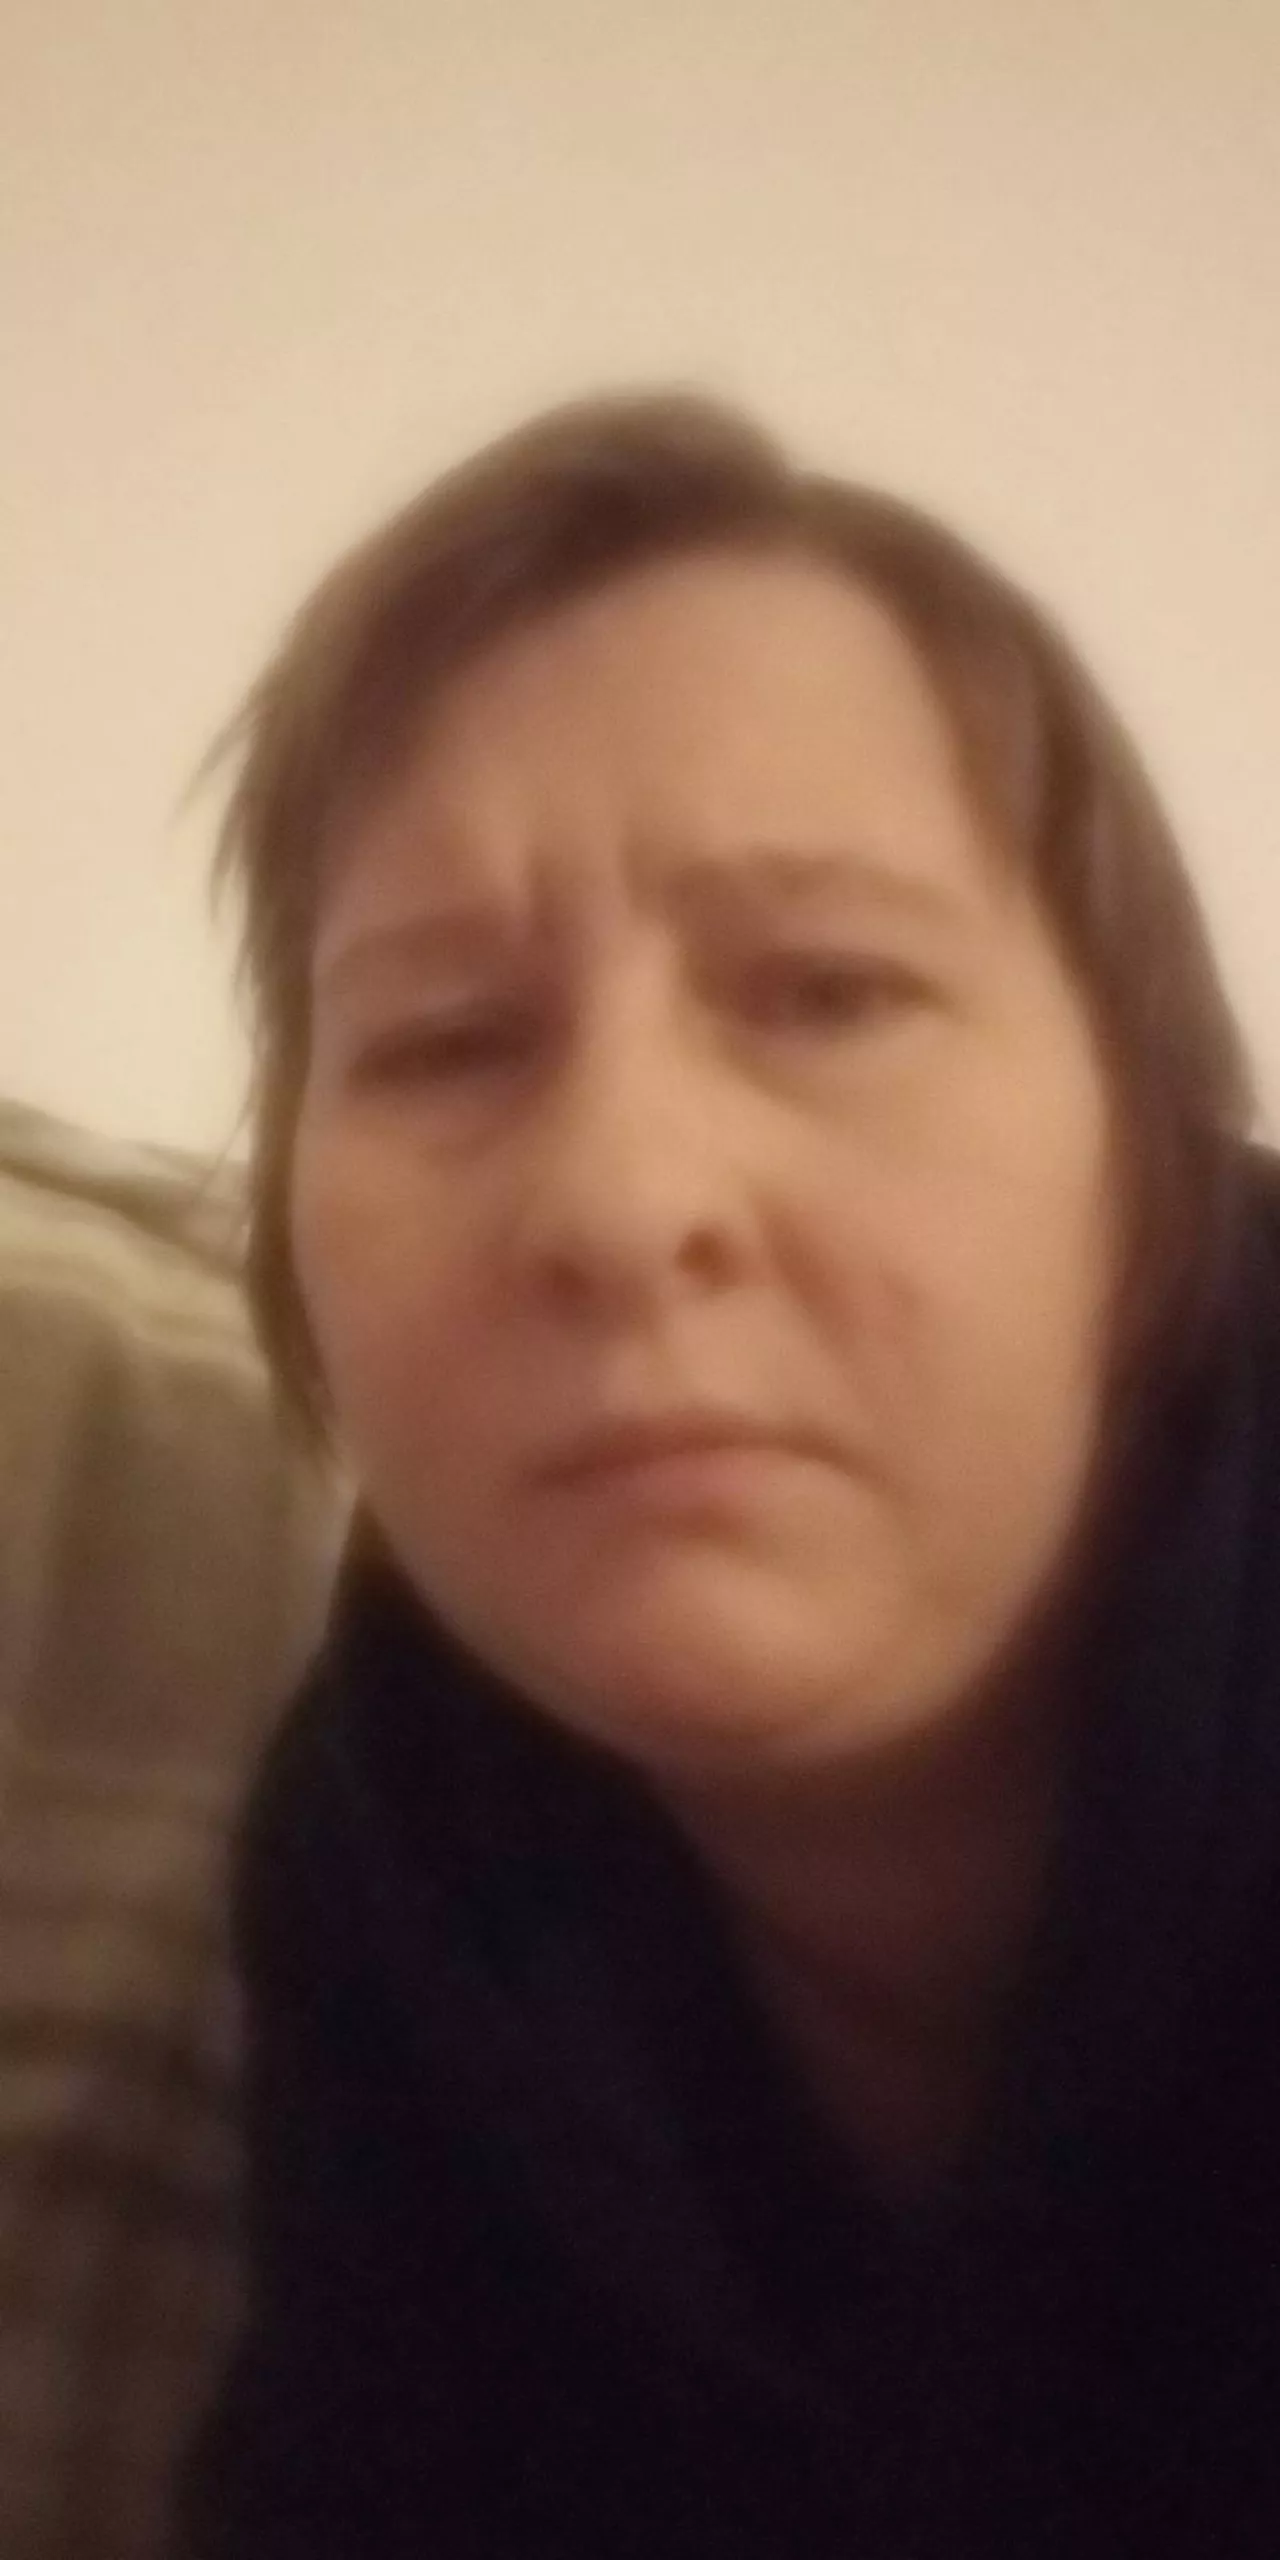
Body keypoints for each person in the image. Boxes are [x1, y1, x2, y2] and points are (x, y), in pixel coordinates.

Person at [178, 391, 1280, 2557]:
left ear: (1153, 1162)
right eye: (444, 1039)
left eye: (828, 991)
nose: (619, 1196)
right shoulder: (387, 1846)